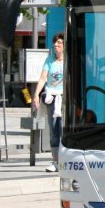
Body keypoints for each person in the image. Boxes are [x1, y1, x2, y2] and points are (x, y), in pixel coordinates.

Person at [32, 34, 64, 172]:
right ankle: (55, 161)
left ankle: (65, 160)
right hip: (51, 98)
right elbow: (43, 78)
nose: (56, 46)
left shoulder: (67, 60)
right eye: (55, 43)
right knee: (53, 130)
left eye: (59, 43)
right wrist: (36, 94)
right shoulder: (49, 60)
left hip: (63, 98)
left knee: (63, 129)